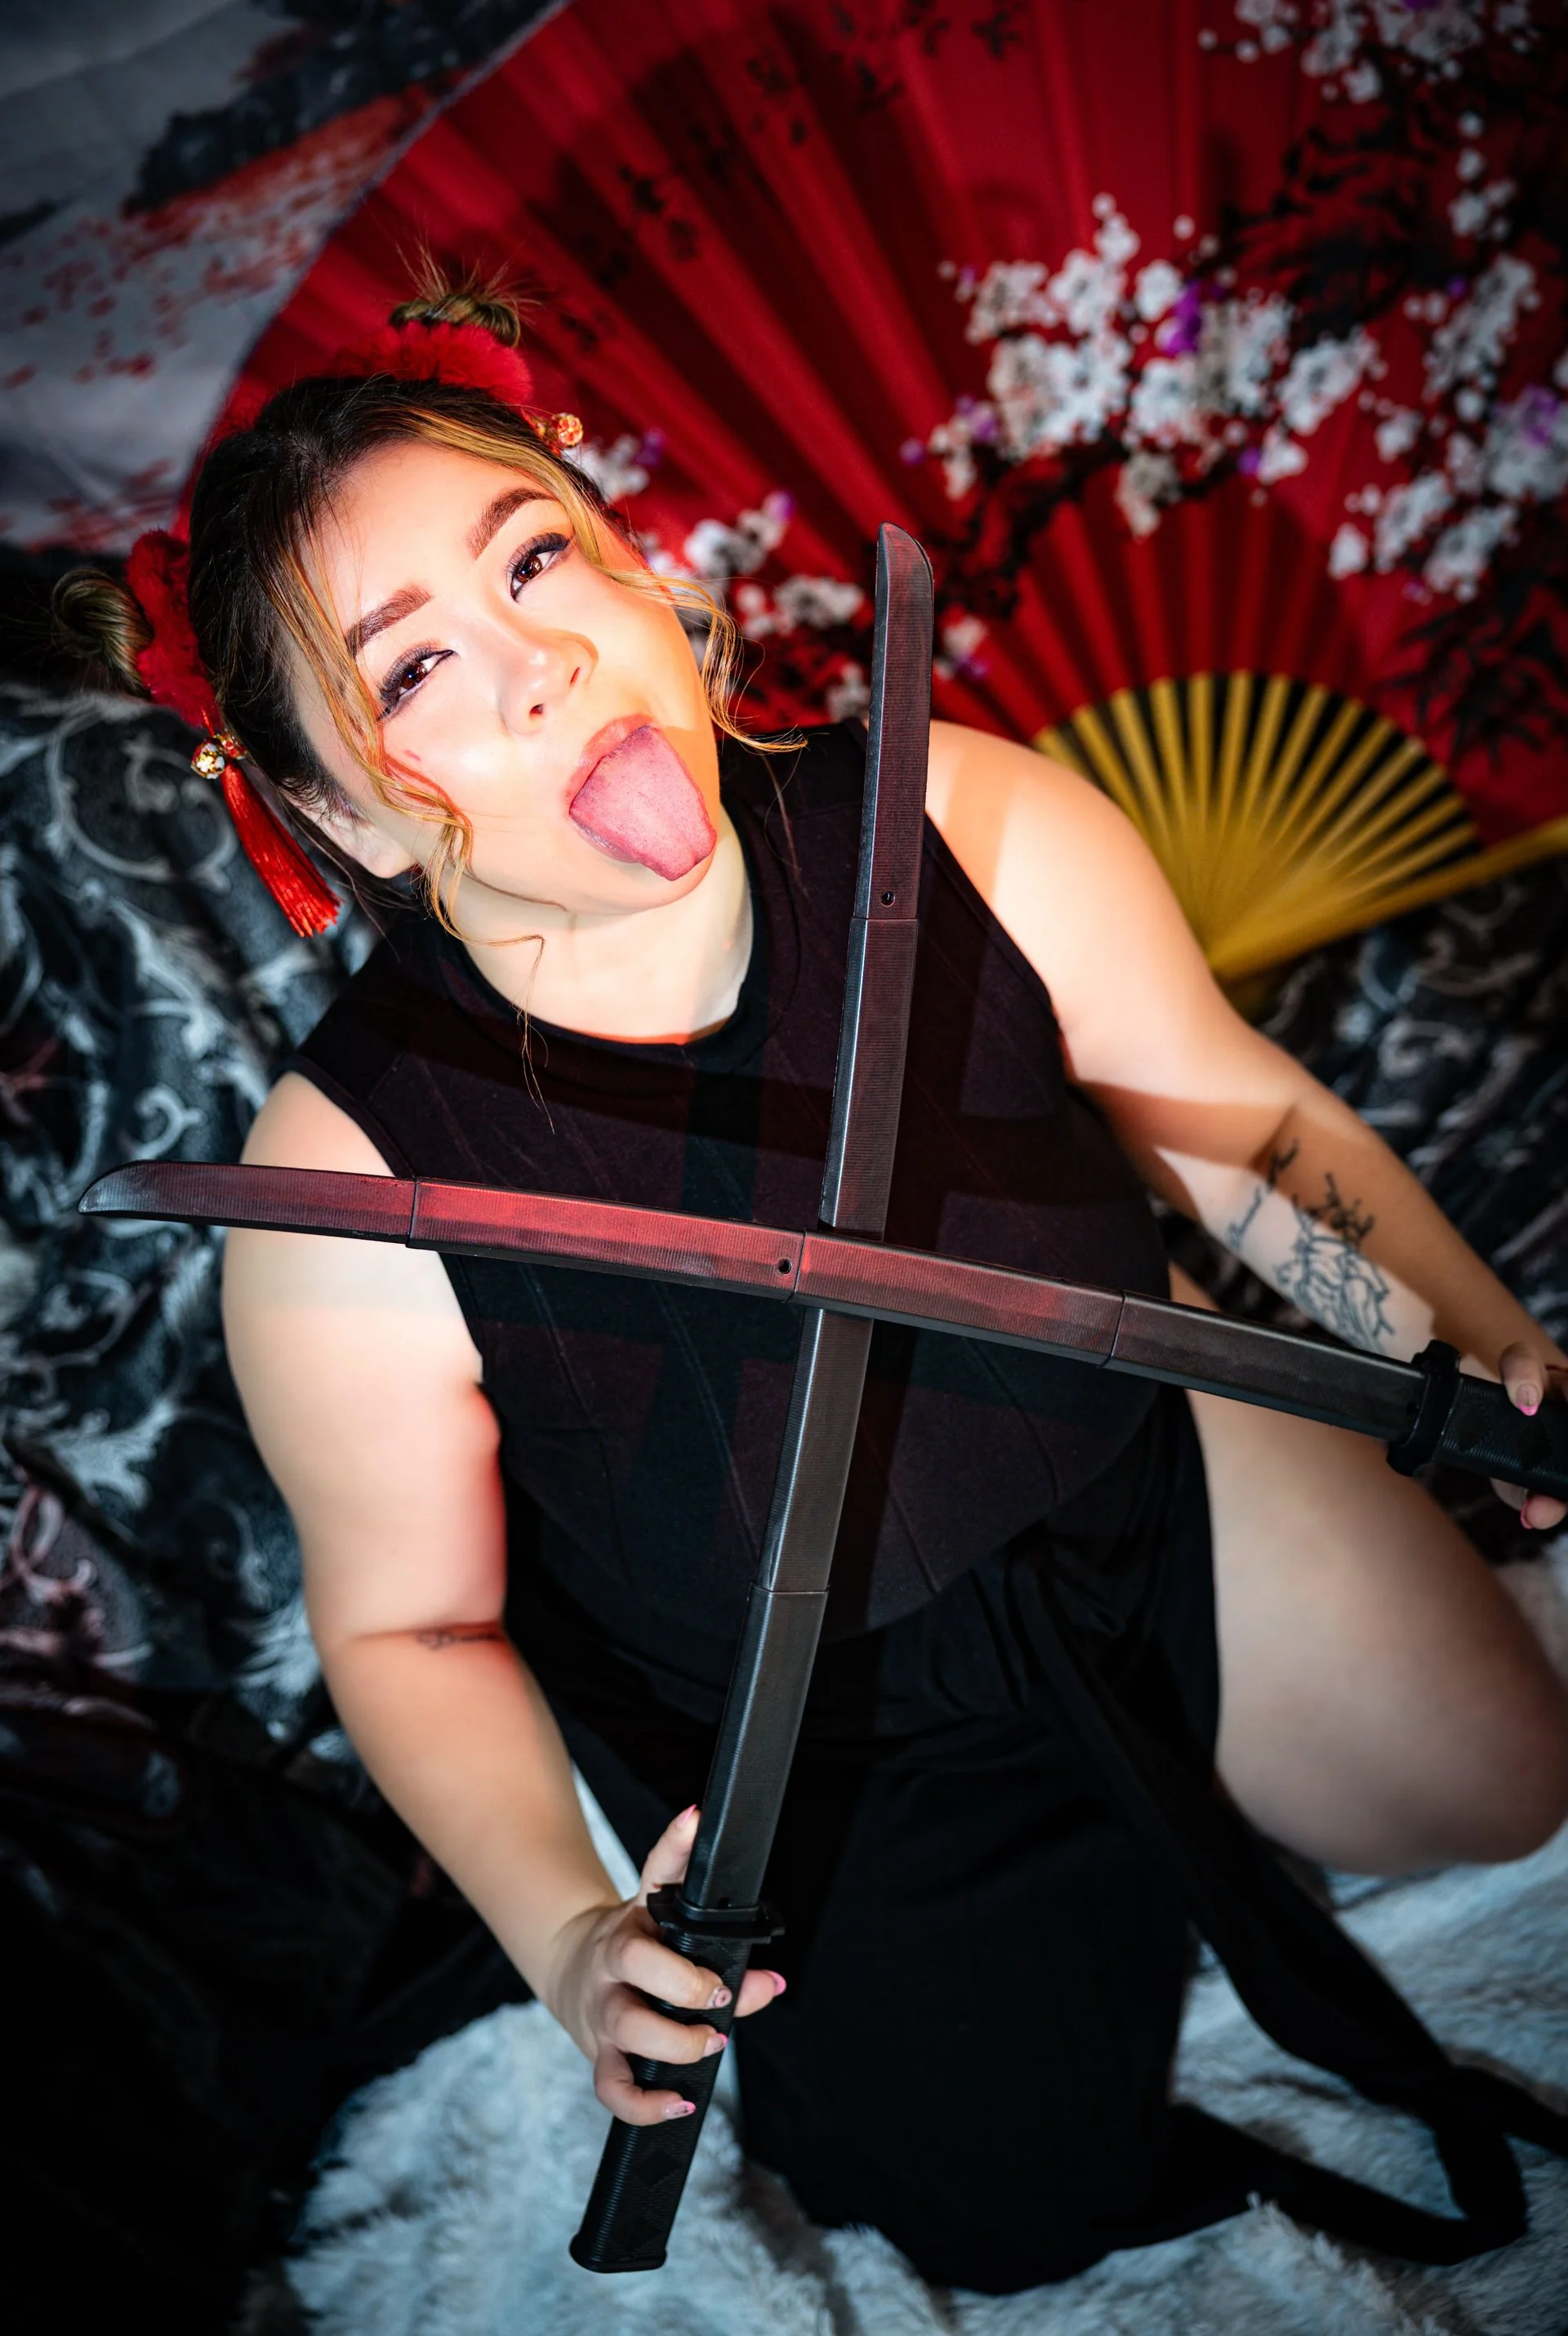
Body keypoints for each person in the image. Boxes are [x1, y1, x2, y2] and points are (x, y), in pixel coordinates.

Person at [56, 283, 1568, 2293]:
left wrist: (1471, 1341)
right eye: (414, 670)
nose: (536, 662)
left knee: (1509, 1781)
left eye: (538, 561)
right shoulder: (347, 1192)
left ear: (635, 565)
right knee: (992, 2210)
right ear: (333, 812)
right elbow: (413, 1625)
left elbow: (1241, 1129)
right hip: (820, 1727)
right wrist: (568, 1932)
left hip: (1135, 1483)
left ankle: (1224, 1528)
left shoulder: (962, 812)